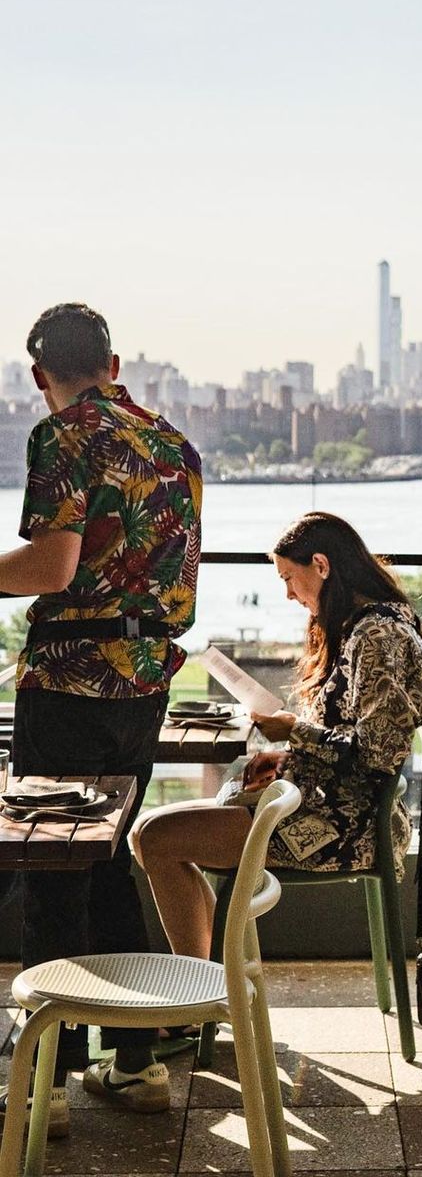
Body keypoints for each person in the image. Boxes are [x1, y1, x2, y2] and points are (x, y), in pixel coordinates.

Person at [0, 303, 202, 1130]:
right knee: (107, 855)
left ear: (40, 375)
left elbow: (52, 566)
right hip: (147, 680)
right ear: (115, 365)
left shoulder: (64, 436)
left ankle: (44, 1083)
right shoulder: (174, 444)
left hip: (72, 674)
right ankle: (136, 1061)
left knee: (51, 860)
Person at [132, 512, 422, 962]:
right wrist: (288, 753)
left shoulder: (378, 635)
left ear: (321, 565)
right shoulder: (360, 626)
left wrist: (296, 731)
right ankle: (215, 980)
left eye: (290, 578)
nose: (289, 594)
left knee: (157, 837)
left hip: (344, 825)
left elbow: (377, 754)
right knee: (146, 834)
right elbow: (349, 734)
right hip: (319, 804)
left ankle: (207, 990)